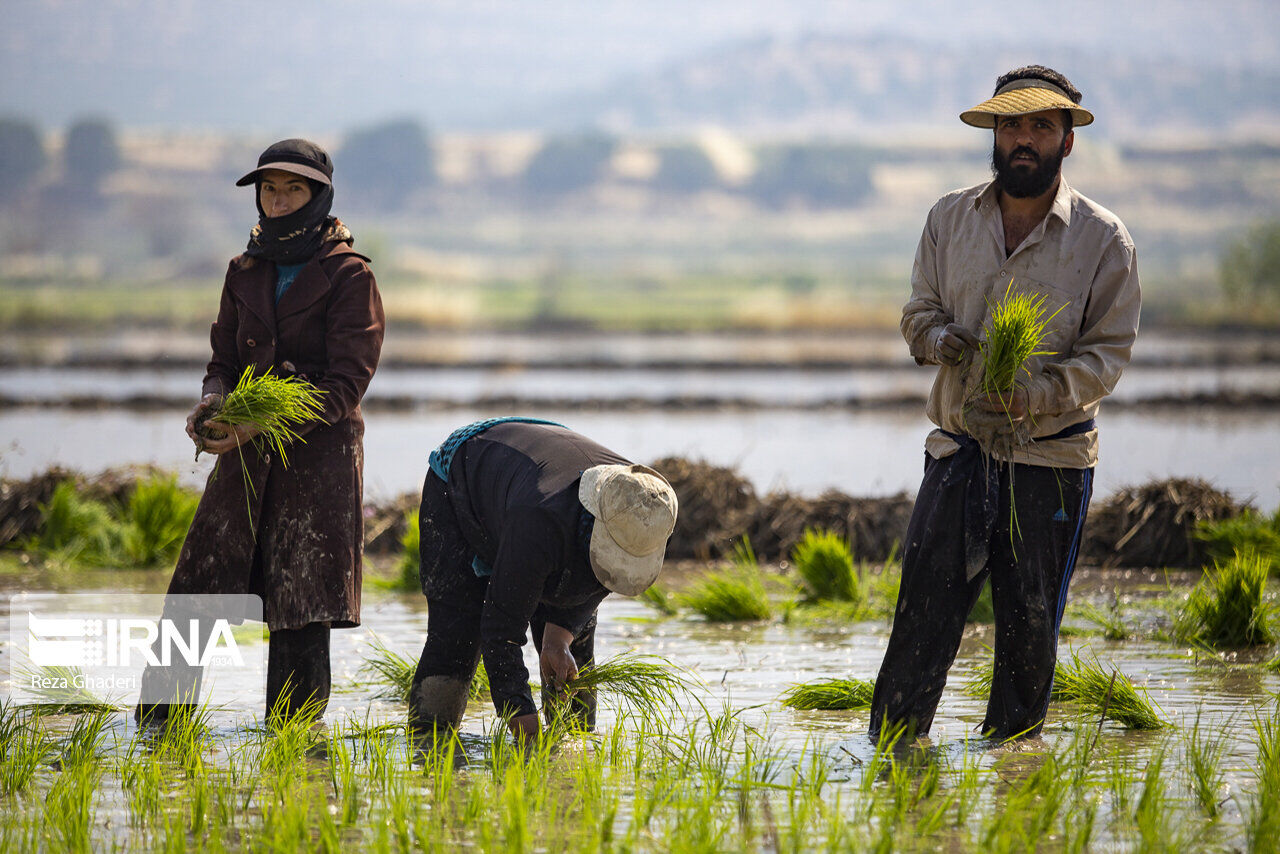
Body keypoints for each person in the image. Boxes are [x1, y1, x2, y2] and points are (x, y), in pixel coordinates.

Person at [868, 67, 1141, 740]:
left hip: (1050, 459)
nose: (1024, 139)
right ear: (993, 133)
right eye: (1012, 124)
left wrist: (1034, 396)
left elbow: (1106, 357)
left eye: (1040, 126)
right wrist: (940, 338)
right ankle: (894, 758)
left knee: (1028, 627)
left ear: (1066, 142)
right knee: (923, 615)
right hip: (960, 448)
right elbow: (918, 312)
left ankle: (1014, 767)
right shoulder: (948, 219)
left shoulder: (1104, 241)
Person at [137, 139, 384, 725]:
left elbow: (345, 387)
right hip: (245, 460)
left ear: (319, 196)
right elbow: (221, 362)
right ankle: (154, 733)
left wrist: (257, 422)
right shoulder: (243, 270)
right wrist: (213, 407)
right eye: (269, 188)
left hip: (317, 464)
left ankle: (294, 753)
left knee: (300, 610)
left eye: (293, 189)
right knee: (195, 595)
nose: (278, 200)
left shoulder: (350, 276)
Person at [408, 418, 679, 742]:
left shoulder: (644, 503)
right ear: (595, 528)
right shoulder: (541, 523)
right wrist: (523, 720)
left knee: (573, 652)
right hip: (465, 478)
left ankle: (576, 743)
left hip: (538, 486)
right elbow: (500, 632)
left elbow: (604, 580)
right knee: (458, 637)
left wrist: (558, 639)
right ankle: (429, 744)